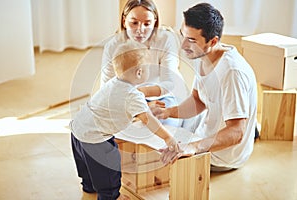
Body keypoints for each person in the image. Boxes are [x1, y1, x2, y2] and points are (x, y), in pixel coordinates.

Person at [70, 41, 179, 199]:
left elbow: (120, 106)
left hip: (77, 130)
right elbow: (148, 120)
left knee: (88, 168)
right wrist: (168, 137)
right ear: (140, 72)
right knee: (110, 167)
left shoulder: (112, 84)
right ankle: (111, 196)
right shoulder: (132, 96)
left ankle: (88, 186)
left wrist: (146, 107)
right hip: (95, 140)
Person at [156, 3, 257, 172]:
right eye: (183, 35)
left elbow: (237, 131)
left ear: (213, 41)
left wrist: (194, 147)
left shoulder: (232, 72)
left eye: (191, 40)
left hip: (224, 156)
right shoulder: (202, 54)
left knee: (161, 163)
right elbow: (198, 100)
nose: (183, 46)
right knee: (161, 138)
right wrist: (168, 112)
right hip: (203, 135)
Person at [101, 0, 187, 127]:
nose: (140, 30)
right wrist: (139, 105)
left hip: (162, 97)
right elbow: (107, 89)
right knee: (108, 127)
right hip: (125, 99)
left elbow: (170, 83)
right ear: (124, 21)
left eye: (147, 24)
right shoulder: (113, 46)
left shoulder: (165, 39)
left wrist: (141, 95)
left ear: (155, 22)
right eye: (134, 23)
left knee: (164, 128)